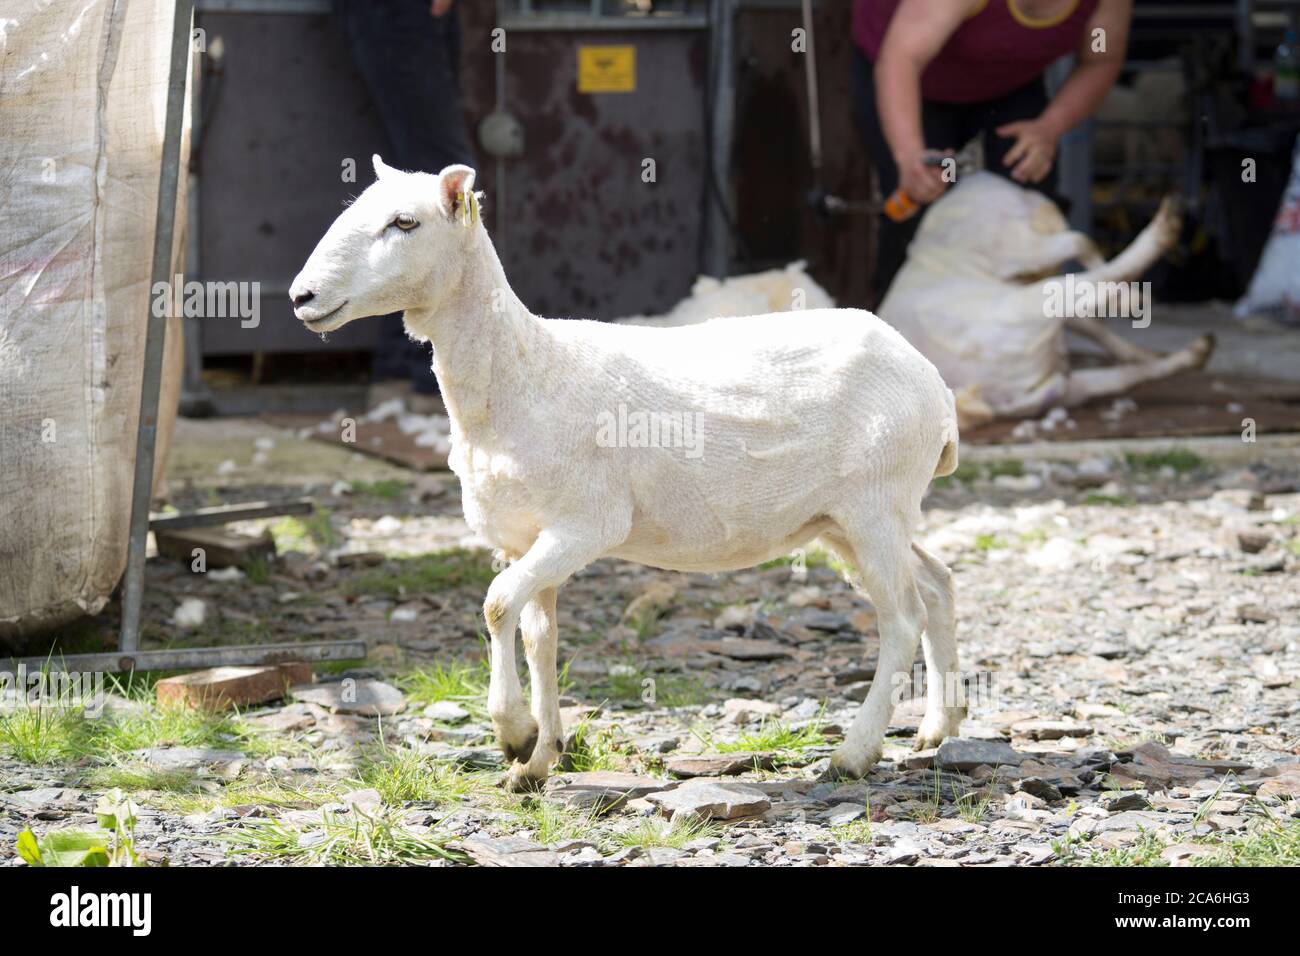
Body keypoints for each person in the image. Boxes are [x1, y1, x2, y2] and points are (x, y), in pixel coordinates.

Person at [853, 0, 1132, 299]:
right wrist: (909, 156)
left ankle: (1014, 324)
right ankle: (894, 327)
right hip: (912, 71)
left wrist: (1050, 127)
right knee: (918, 202)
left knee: (1029, 187)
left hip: (1009, 77)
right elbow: (901, 57)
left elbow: (1100, 58)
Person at [334, 0, 474, 402]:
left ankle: (401, 372)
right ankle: (429, 380)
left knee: (422, 184)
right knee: (446, 193)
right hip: (401, 15)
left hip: (399, 17)